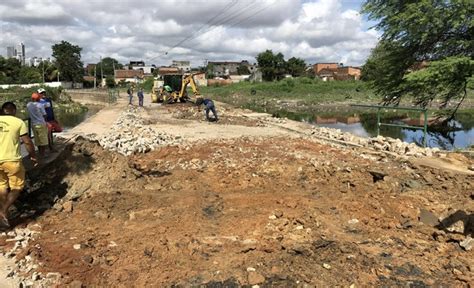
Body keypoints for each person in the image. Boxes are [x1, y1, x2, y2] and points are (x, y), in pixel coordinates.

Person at [0, 102, 37, 230]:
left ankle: (4, 217)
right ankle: (3, 211)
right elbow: (27, 141)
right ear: (13, 111)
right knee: (17, 187)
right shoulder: (18, 122)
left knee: (2, 186)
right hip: (12, 161)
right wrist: (33, 155)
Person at [27, 93, 48, 157]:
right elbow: (44, 115)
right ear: (38, 99)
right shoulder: (40, 105)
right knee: (43, 140)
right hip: (41, 124)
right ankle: (43, 154)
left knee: (37, 140)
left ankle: (39, 152)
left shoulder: (28, 105)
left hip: (33, 124)